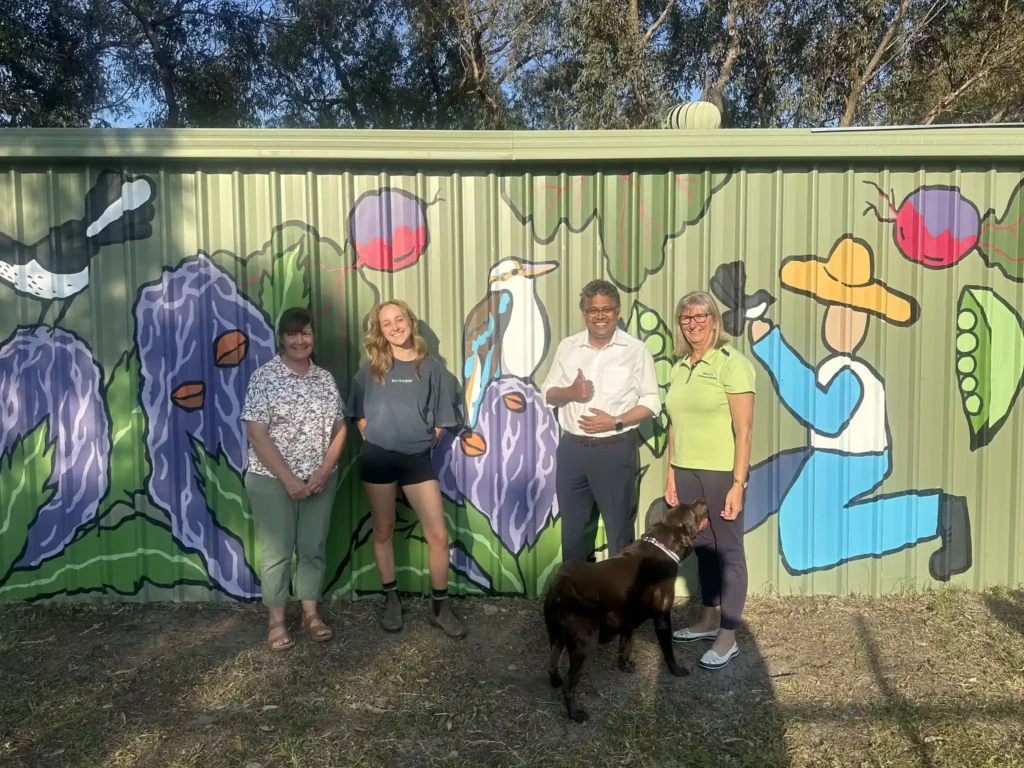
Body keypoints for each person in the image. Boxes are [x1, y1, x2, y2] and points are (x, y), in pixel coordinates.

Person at [347, 299, 465, 638]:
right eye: (386, 323)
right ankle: (392, 600)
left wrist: (422, 442)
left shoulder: (433, 370)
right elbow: (358, 415)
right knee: (383, 531)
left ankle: (440, 607)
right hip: (378, 459)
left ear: (410, 322)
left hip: (417, 461)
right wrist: (373, 435)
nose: (395, 326)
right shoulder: (370, 371)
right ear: (380, 332)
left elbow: (442, 420)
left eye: (399, 319)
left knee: (438, 535)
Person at [241, 307, 347, 652]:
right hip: (272, 481)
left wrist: (322, 472)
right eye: (292, 334)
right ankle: (275, 621)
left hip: (318, 481)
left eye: (305, 333)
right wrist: (288, 479)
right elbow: (256, 433)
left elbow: (340, 429)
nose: (299, 340)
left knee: (312, 548)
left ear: (313, 337)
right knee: (277, 553)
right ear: (281, 338)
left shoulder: (324, 380)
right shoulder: (264, 378)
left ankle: (310, 614)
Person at [664, 290, 755, 671]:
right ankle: (708, 618)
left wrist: (738, 483)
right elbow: (675, 425)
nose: (694, 323)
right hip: (686, 470)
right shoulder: (679, 365)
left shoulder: (731, 363)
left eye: (701, 316)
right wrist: (670, 473)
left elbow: (744, 428)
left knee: (728, 549)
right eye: (687, 318)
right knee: (701, 545)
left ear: (714, 321)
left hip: (720, 472)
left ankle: (728, 635)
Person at [541, 279, 661, 564]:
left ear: (617, 312)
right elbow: (547, 392)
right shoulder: (568, 347)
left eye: (607, 309)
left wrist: (616, 421)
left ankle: (618, 604)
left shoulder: (635, 350)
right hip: (573, 450)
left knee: (619, 531)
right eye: (593, 310)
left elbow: (651, 402)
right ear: (584, 313)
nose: (600, 315)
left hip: (615, 448)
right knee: (572, 533)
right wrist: (571, 391)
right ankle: (576, 601)